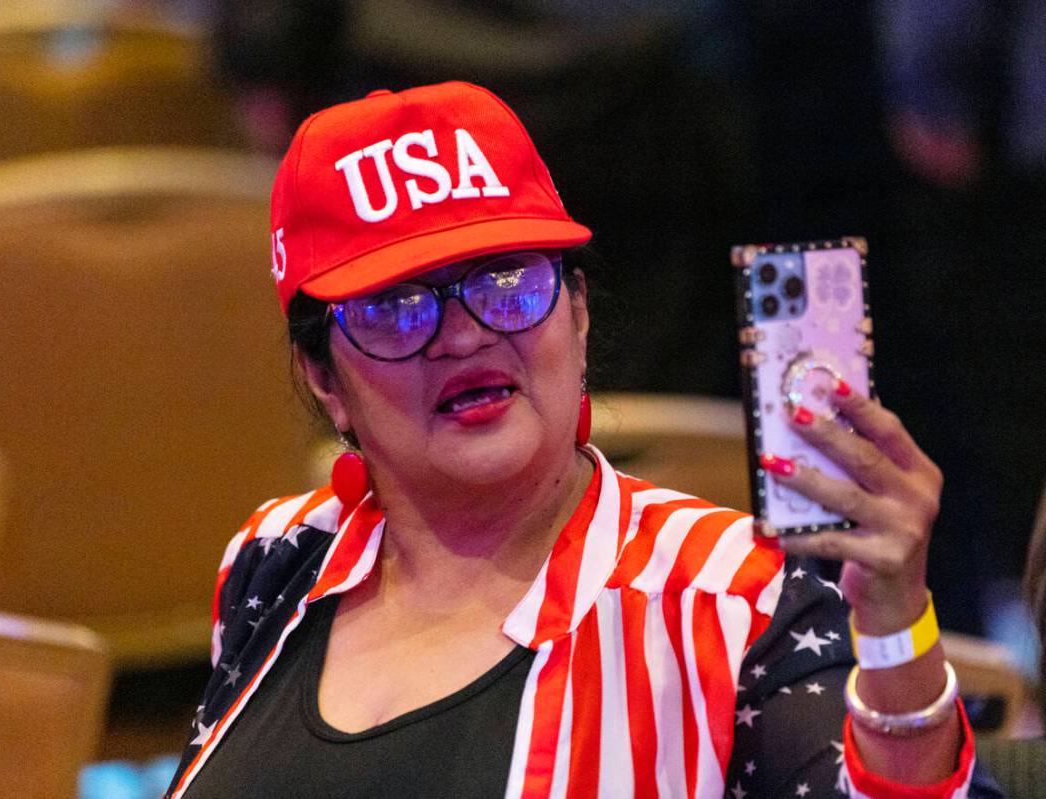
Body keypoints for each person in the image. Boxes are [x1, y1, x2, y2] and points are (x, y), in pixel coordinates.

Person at [164, 82, 996, 797]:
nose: (464, 334)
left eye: (507, 282)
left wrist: (895, 627)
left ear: (579, 310)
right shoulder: (276, 557)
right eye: (397, 307)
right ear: (323, 376)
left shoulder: (727, 599)